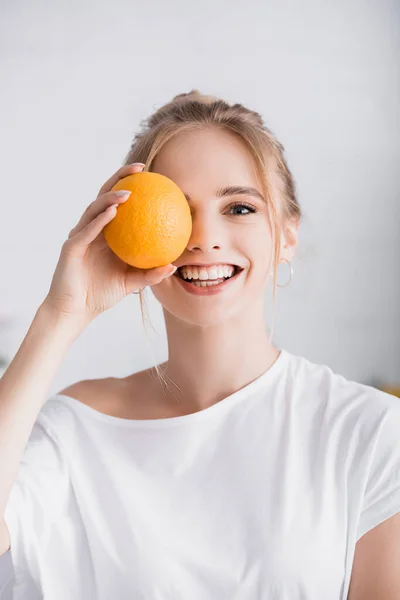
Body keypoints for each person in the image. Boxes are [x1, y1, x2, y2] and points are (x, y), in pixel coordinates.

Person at [0, 90, 399, 600]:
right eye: (179, 211)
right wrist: (61, 316)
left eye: (238, 207)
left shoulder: (369, 433)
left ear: (287, 235)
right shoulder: (74, 431)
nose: (204, 238)